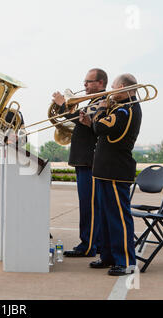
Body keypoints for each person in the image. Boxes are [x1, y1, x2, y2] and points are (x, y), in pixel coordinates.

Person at [81, 73, 141, 276]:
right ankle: (108, 256)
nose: (110, 91)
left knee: (118, 218)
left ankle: (125, 262)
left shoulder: (126, 109)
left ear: (123, 87)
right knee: (105, 217)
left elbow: (100, 127)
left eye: (113, 87)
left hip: (116, 170)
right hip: (104, 170)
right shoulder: (120, 107)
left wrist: (99, 111)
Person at [51, 68, 108, 257]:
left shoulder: (102, 101)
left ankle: (88, 245)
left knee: (88, 206)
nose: (84, 85)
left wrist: (61, 106)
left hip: (88, 160)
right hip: (83, 159)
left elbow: (79, 117)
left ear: (100, 83)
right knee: (90, 205)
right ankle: (95, 242)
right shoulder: (92, 101)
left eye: (88, 82)